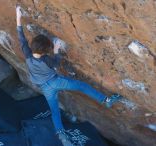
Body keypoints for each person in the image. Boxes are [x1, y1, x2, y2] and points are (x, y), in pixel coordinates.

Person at [16, 6, 121, 146]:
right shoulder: (46, 59)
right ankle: (106, 100)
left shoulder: (27, 54)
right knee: (82, 86)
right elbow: (56, 63)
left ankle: (62, 135)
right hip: (56, 81)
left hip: (45, 87)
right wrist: (57, 50)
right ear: (44, 51)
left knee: (54, 111)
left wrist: (18, 17)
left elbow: (21, 37)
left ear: (34, 47)